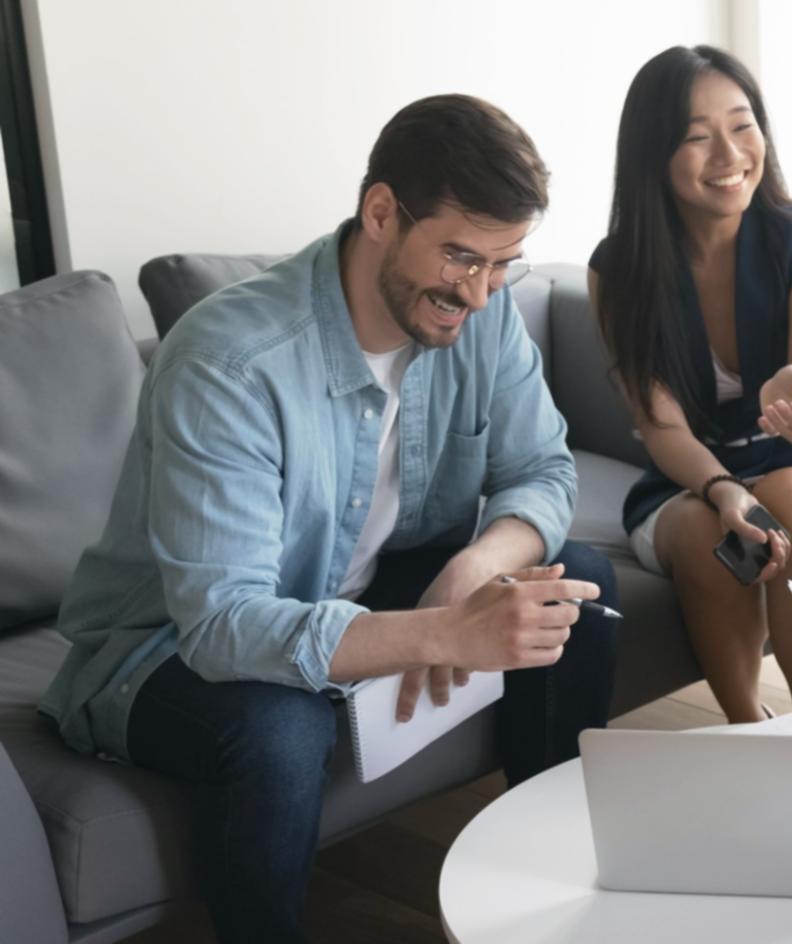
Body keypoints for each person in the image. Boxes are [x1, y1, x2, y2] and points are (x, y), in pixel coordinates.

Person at [38, 94, 622, 943]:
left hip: (344, 585)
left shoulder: (483, 315)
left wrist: (474, 571)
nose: (479, 292)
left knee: (574, 589)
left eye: (504, 264)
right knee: (282, 728)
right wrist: (440, 633)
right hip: (161, 646)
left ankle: (556, 893)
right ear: (381, 212)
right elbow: (225, 625)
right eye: (460, 256)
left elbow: (542, 469)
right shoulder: (229, 363)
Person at [590, 45, 792, 723]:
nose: (730, 154)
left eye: (742, 125)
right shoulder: (618, 271)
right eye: (698, 137)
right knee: (712, 530)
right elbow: (661, 426)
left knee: (786, 497)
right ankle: (748, 729)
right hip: (689, 482)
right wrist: (726, 489)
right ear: (653, 155)